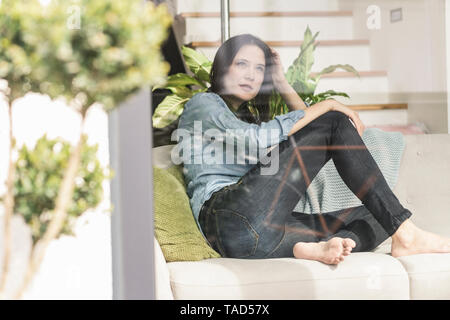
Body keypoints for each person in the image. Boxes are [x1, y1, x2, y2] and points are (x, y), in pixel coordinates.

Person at [176, 34, 450, 265]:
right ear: (223, 66)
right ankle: (407, 233)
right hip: (226, 218)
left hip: (259, 237)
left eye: (260, 69)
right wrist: (329, 103)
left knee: (376, 216)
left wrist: (281, 82)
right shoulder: (203, 104)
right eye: (242, 64)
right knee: (334, 120)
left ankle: (313, 248)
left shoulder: (247, 116)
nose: (251, 74)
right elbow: (261, 139)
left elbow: (313, 128)